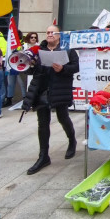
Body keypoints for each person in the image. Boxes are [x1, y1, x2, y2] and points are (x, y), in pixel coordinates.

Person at [22, 25, 79, 175]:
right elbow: (30, 70)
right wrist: (30, 64)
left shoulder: (67, 49)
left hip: (59, 90)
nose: (50, 35)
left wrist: (63, 69)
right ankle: (43, 156)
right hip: (42, 90)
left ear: (59, 35)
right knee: (43, 123)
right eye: (47, 32)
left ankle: (72, 140)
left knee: (63, 117)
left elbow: (76, 66)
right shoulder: (38, 51)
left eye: (53, 32)